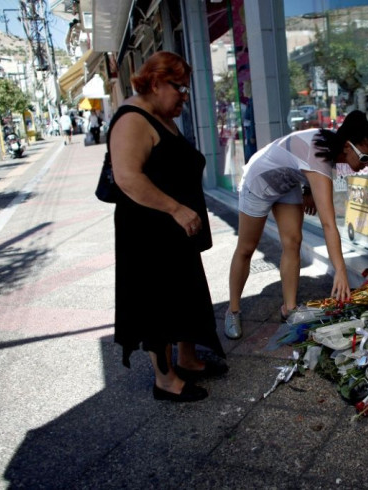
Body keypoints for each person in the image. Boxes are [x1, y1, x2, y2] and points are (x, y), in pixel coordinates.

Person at [108, 51, 227, 403]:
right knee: (156, 301)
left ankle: (187, 359)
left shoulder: (162, 114)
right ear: (157, 82)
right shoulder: (132, 119)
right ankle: (165, 380)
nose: (185, 96)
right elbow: (127, 178)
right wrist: (176, 208)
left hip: (174, 229)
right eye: (181, 88)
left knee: (184, 292)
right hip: (149, 230)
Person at [225, 110, 368, 339]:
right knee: (246, 248)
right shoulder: (321, 155)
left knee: (293, 241)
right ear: (348, 146)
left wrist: (307, 190)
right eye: (365, 158)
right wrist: (340, 271)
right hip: (259, 181)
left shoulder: (331, 144)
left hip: (286, 184)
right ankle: (233, 310)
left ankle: (289, 309)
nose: (366, 164)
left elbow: (297, 157)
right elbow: (328, 224)